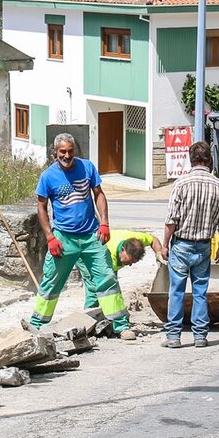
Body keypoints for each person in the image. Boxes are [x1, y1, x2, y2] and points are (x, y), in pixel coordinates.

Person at [30, 133, 136, 340]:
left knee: (106, 277)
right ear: (55, 152)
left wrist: (104, 223)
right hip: (63, 238)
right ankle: (37, 325)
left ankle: (121, 325)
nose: (67, 155)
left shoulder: (87, 167)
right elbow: (41, 207)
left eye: (70, 151)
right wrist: (50, 237)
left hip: (91, 236)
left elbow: (99, 194)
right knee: (51, 281)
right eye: (63, 152)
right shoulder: (48, 177)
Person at [162, 140, 219, 349]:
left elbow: (171, 219)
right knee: (200, 291)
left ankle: (174, 336)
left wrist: (164, 244)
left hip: (181, 245)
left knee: (177, 290)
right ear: (209, 160)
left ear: (191, 160)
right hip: (203, 245)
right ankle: (200, 336)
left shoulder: (181, 184)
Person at [83, 229, 166, 309]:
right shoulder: (108, 257)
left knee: (112, 290)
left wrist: (158, 253)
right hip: (87, 254)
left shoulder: (137, 240)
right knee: (94, 288)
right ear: (122, 250)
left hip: (109, 253)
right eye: (129, 261)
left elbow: (153, 240)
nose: (129, 265)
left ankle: (113, 313)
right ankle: (90, 314)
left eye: (132, 262)